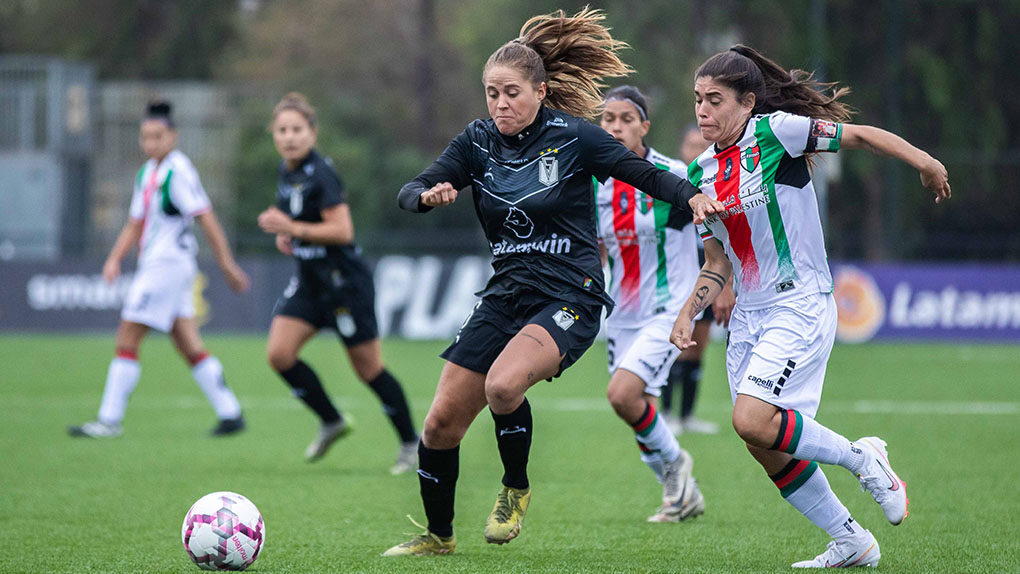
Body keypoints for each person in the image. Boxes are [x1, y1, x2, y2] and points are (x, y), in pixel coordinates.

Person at [382, 8, 711, 557]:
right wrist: (424, 195)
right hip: (506, 294)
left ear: (539, 90)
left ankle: (515, 487)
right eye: (491, 93)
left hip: (570, 294)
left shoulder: (576, 138)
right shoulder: (477, 141)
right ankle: (438, 537)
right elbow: (414, 185)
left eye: (511, 92)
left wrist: (693, 196)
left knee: (504, 386)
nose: (500, 104)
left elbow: (646, 174)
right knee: (439, 424)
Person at [671, 45, 950, 568]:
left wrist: (925, 160)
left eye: (714, 99)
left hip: (799, 302)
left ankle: (865, 460)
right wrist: (690, 310)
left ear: (747, 101)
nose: (701, 110)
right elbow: (717, 262)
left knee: (752, 419)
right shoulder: (700, 173)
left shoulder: (776, 132)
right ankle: (852, 541)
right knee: (764, 444)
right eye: (696, 100)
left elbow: (862, 136)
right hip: (749, 315)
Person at [256, 93, 419, 474]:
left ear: (312, 132)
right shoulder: (287, 170)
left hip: (345, 285)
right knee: (279, 354)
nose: (289, 137)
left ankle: (412, 443)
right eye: (282, 130)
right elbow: (302, 220)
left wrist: (293, 228)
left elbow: (342, 230)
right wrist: (290, 235)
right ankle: (331, 420)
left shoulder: (321, 173)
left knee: (369, 370)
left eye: (297, 129)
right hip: (310, 282)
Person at [69, 101, 250, 439]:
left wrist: (226, 264)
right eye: (145, 137)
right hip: (164, 267)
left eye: (157, 136)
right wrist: (114, 258)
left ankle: (109, 421)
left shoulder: (178, 171)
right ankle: (231, 412)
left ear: (173, 136)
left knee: (127, 336)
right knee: (187, 343)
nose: (150, 143)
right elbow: (135, 224)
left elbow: (205, 217)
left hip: (167, 267)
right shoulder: (148, 173)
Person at [595, 86, 705, 523]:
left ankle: (678, 466)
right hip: (621, 313)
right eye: (608, 119)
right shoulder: (593, 182)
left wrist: (725, 283)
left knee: (622, 395)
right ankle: (682, 496)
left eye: (626, 119)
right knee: (636, 407)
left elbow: (714, 227)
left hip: (668, 309)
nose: (616, 126)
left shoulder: (671, 173)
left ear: (644, 126)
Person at [659, 124, 736, 436]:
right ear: (682, 150)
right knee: (675, 347)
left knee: (697, 348)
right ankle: (666, 414)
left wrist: (726, 286)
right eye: (690, 144)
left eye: (701, 145)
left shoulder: (718, 184)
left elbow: (727, 243)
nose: (696, 150)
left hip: (710, 278)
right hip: (678, 281)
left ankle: (687, 415)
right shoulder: (673, 186)